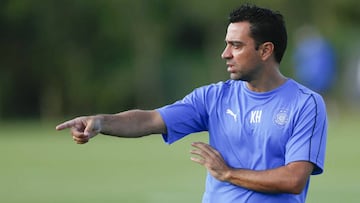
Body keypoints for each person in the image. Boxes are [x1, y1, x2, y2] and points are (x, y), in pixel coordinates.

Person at [56, 4, 327, 203]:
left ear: (266, 50)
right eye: (226, 44)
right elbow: (150, 119)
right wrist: (102, 122)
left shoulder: (306, 104)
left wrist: (228, 173)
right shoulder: (213, 97)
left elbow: (293, 180)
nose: (225, 54)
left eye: (236, 45)